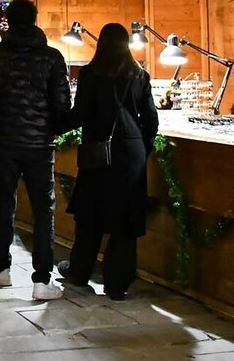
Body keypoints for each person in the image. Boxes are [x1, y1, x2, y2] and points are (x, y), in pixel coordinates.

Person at [0, 0, 71, 301]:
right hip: (41, 145)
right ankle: (42, 280)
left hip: (6, 142)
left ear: (7, 22)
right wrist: (49, 127)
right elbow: (62, 105)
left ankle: (1, 270)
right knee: (44, 210)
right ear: (35, 20)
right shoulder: (52, 57)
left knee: (5, 205)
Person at [57, 22, 159, 301]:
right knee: (125, 221)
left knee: (90, 216)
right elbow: (151, 119)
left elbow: (80, 114)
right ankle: (117, 283)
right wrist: (141, 146)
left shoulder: (92, 74)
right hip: (132, 154)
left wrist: (51, 126)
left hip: (99, 152)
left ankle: (79, 271)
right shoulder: (139, 75)